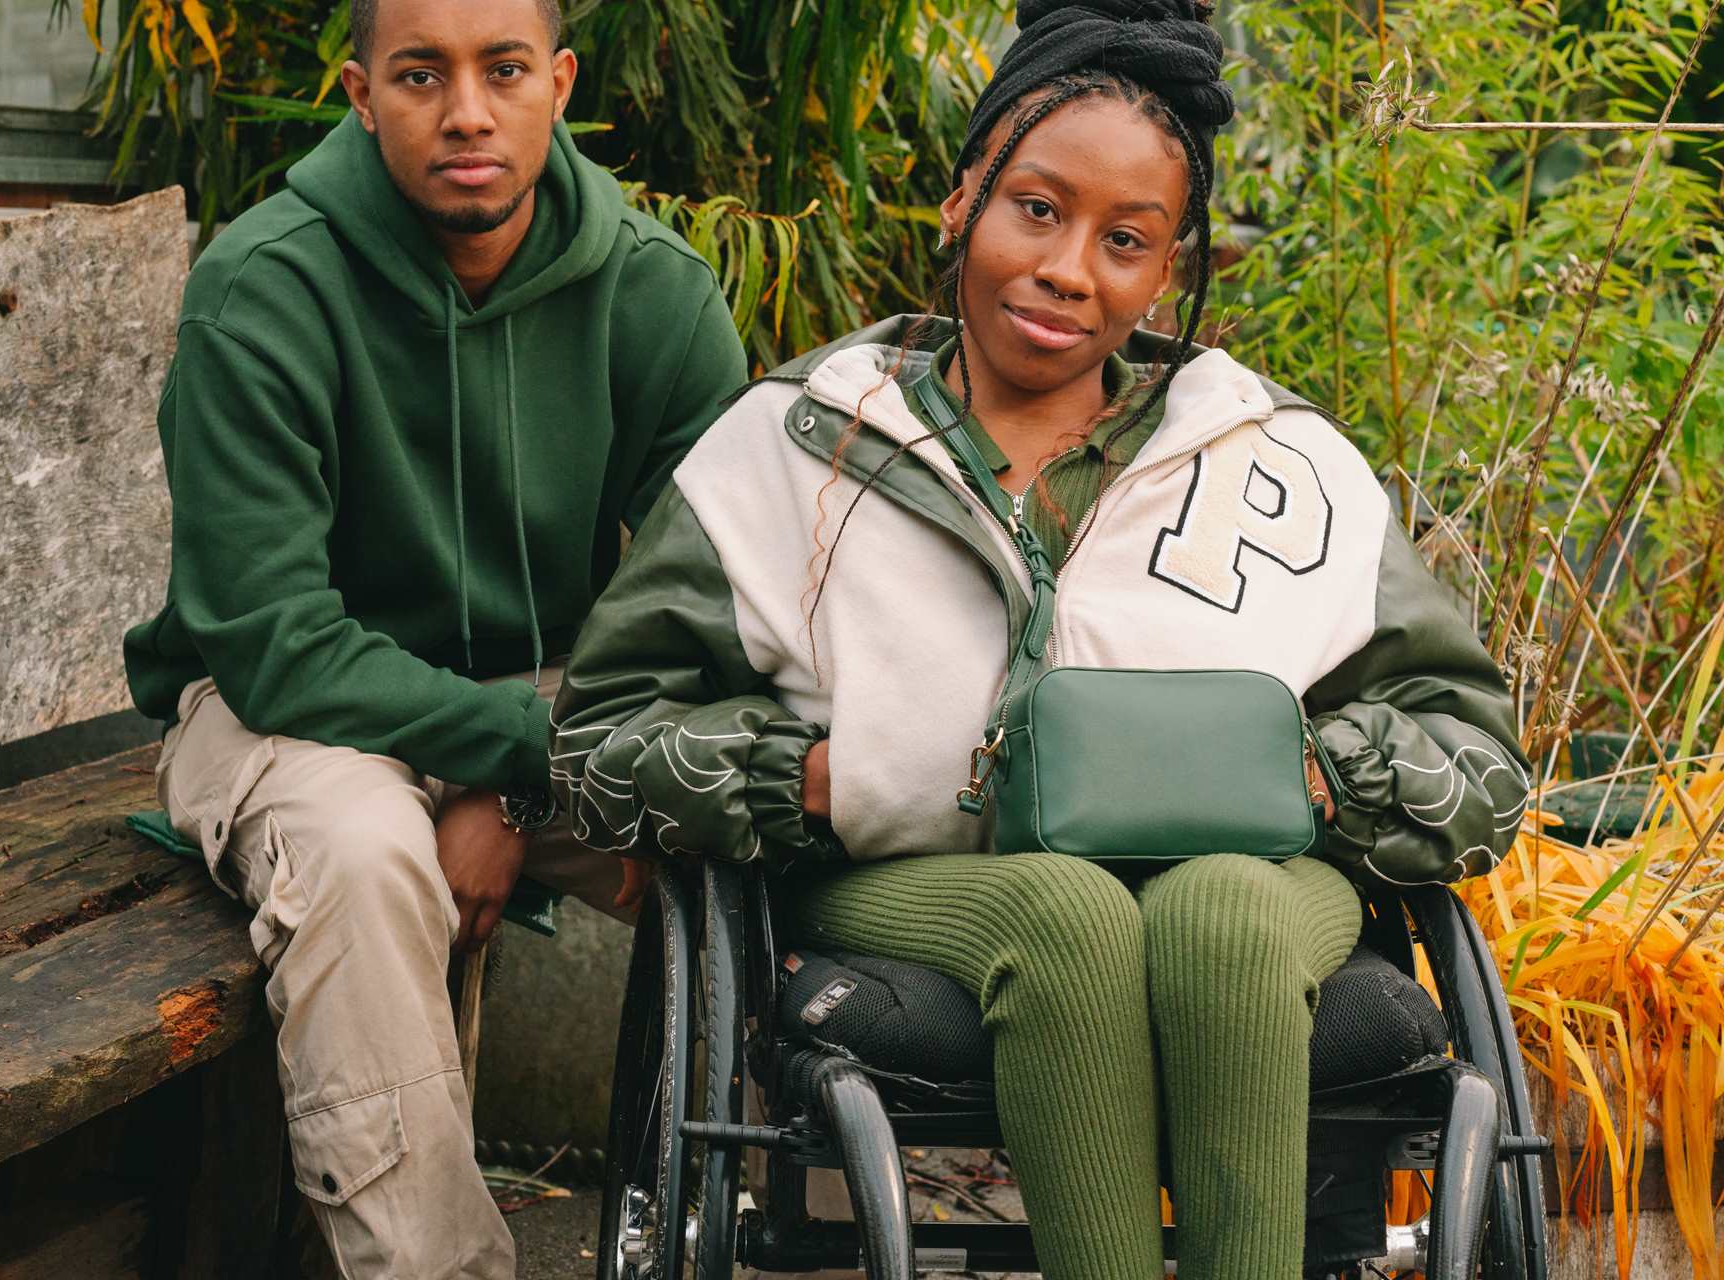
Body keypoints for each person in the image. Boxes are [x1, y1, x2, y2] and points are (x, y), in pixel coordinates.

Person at [548, 2, 1530, 1276]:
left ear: (1168, 269)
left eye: (1126, 240)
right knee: (1067, 911)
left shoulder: (1278, 463)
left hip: (1256, 879)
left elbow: (1483, 765)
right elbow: (600, 742)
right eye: (1038, 210)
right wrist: (805, 775)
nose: (1071, 268)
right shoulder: (797, 446)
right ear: (963, 201)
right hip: (915, 884)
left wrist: (1313, 776)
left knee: (1224, 910)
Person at [119, 0, 748, 1270]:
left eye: (502, 69)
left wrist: (510, 790)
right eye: (422, 74)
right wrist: (521, 755)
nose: (466, 111)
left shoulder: (654, 293)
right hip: (280, 711)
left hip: (544, 703)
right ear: (361, 94)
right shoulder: (264, 287)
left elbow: (724, 606)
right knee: (364, 852)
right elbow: (276, 642)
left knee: (750, 801)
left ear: (558, 82)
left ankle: (699, 1222)